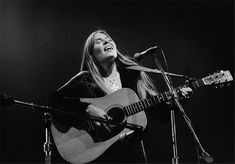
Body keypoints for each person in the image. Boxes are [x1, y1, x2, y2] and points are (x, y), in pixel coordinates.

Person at [47, 29, 193, 164]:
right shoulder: (85, 80)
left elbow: (159, 112)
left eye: (108, 39)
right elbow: (53, 102)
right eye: (99, 41)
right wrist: (87, 108)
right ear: (91, 54)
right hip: (99, 157)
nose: (106, 41)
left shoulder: (133, 75)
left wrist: (178, 100)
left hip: (132, 157)